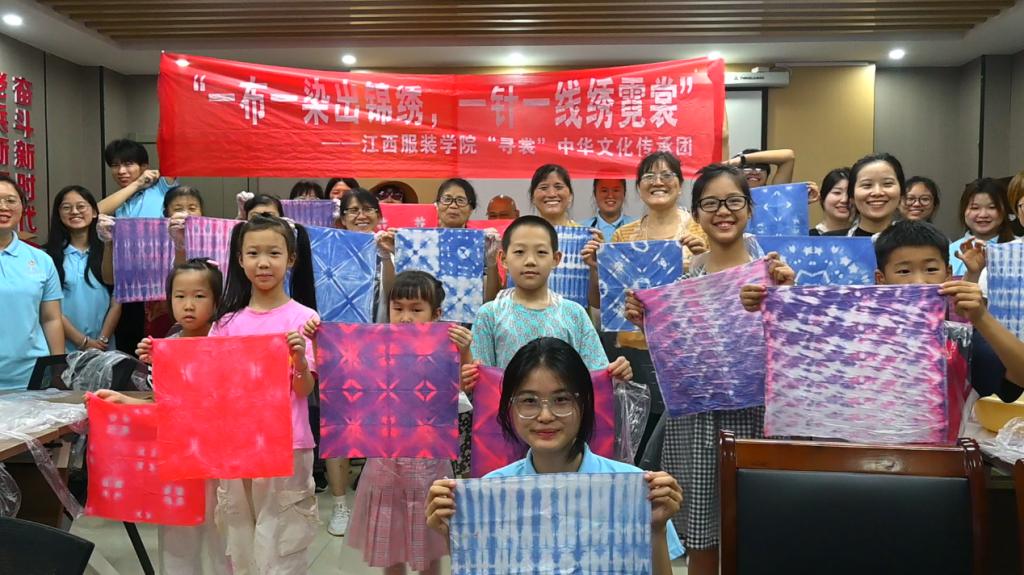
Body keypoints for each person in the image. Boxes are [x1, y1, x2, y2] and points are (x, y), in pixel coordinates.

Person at [625, 164, 794, 575]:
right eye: (711, 203)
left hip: (758, 422)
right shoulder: (685, 280)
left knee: (758, 535)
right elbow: (678, 361)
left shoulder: (774, 273)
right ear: (697, 213)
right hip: (697, 426)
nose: (723, 211)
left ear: (749, 208)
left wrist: (784, 300)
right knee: (701, 542)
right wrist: (648, 324)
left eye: (734, 201)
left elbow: (797, 353)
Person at [426, 338, 685, 575]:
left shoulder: (634, 489)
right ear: (510, 408)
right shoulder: (490, 494)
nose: (545, 416)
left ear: (584, 403)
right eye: (529, 401)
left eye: (561, 399)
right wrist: (456, 535)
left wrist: (656, 530)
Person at [305, 271, 472, 574]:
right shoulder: (374, 347)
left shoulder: (444, 349)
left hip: (429, 465)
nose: (405, 317)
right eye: (398, 308)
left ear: (436, 314)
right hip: (385, 465)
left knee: (429, 547)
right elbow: (338, 375)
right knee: (389, 549)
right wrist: (320, 340)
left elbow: (462, 388)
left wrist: (464, 350)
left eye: (416, 309)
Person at [91, 258, 229, 575]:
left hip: (218, 456)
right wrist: (127, 401)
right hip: (177, 455)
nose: (188, 305)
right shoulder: (166, 345)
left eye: (199, 296)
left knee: (222, 535)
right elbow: (165, 403)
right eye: (179, 296)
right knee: (177, 535)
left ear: (216, 301)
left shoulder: (227, 341)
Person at [207, 215, 319, 574]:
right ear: (240, 260)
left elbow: (304, 389)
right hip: (236, 444)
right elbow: (210, 384)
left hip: (288, 443)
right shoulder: (226, 323)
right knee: (239, 539)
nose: (263, 262)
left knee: (284, 541)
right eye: (253, 253)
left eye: (274, 252)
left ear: (291, 258)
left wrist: (299, 359)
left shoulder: (305, 319)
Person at [609, 152, 707, 459]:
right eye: (649, 176)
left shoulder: (701, 231)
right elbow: (607, 302)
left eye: (666, 175)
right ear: (639, 187)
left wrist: (704, 257)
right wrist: (598, 269)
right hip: (635, 351)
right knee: (638, 438)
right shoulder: (622, 235)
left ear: (680, 184)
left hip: (686, 352)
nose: (658, 182)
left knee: (679, 439)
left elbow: (715, 292)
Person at [464, 215, 632, 380]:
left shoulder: (574, 313)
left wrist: (615, 374)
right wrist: (468, 377)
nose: (530, 261)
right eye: (519, 252)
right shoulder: (490, 314)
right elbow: (483, 381)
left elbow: (596, 376)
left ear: (556, 259)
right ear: (503, 259)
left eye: (541, 252)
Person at [0, 176, 64, 391]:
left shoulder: (41, 260)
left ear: (22, 207)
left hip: (32, 376)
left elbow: (51, 319)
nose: (3, 207)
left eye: (10, 200)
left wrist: (57, 369)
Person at [44, 185, 120, 353]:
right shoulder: (47, 257)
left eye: (81, 206)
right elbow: (50, 307)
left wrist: (102, 340)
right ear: (58, 214)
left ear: (94, 212)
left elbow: (117, 301)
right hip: (63, 346)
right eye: (66, 207)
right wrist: (83, 342)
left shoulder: (110, 251)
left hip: (103, 347)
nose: (74, 211)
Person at [825, 152, 905, 239]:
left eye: (887, 184)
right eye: (867, 185)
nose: (877, 192)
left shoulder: (914, 242)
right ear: (852, 196)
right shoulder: (829, 242)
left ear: (901, 193)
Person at [948, 178, 1015, 277]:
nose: (983, 214)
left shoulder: (1019, 248)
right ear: (963, 211)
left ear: (1005, 210)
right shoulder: (949, 251)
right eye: (975, 208)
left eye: (992, 207)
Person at [98, 139, 179, 218]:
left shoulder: (160, 186)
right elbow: (96, 211)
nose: (121, 171)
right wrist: (138, 184)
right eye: (115, 165)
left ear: (144, 167)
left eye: (128, 164)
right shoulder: (118, 201)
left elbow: (174, 155)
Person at [810, 168, 852, 235]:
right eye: (837, 192)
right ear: (822, 197)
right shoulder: (809, 237)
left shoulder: (866, 236)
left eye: (850, 193)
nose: (844, 200)